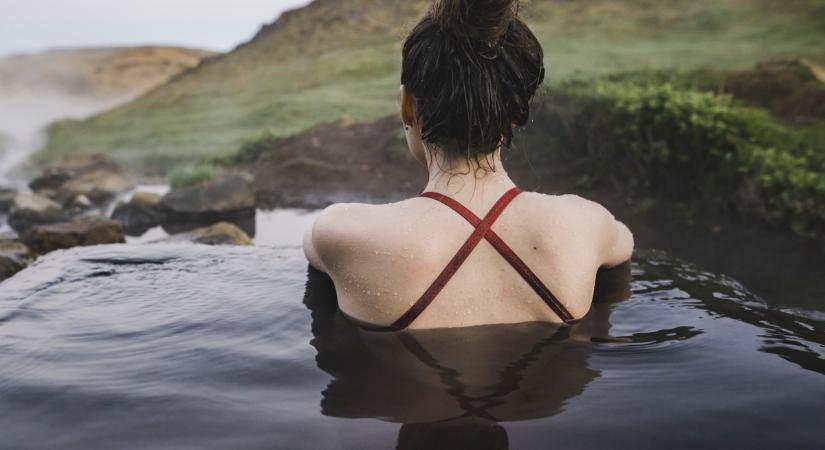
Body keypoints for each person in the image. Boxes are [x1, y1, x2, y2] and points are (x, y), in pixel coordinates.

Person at [303, 0, 634, 330]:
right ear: (519, 112)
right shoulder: (586, 223)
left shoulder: (341, 233)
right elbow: (625, 244)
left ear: (406, 106)